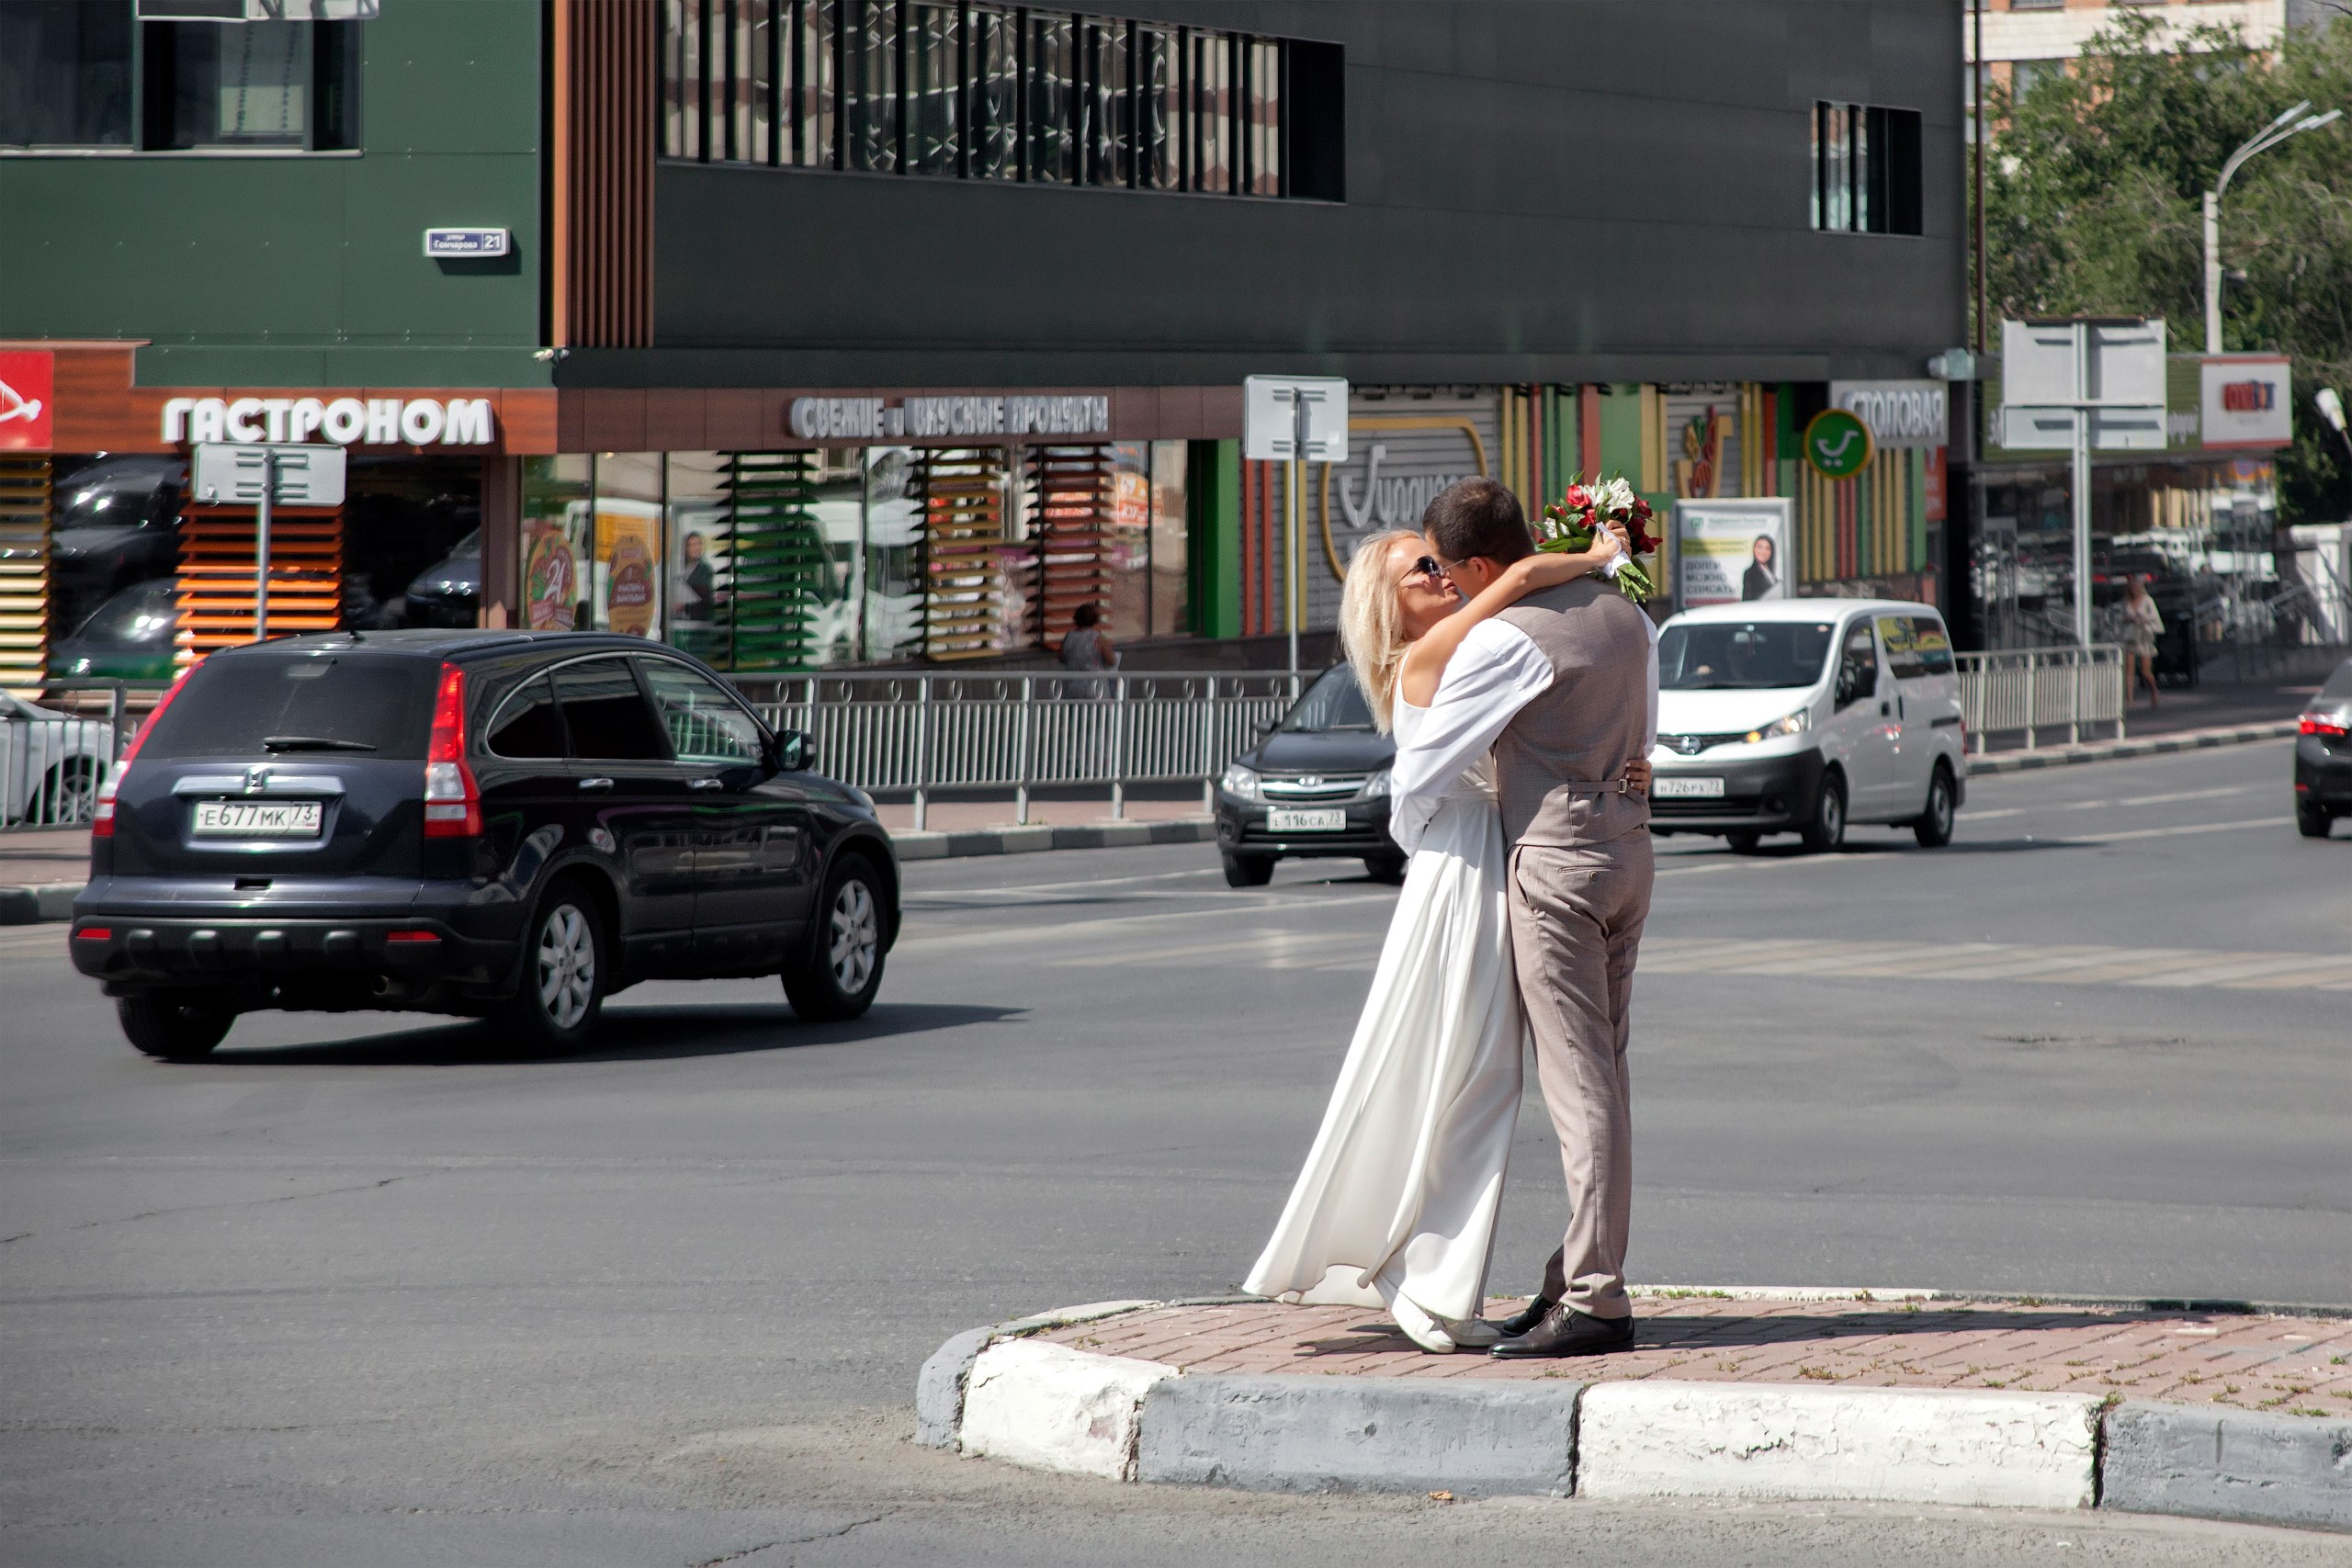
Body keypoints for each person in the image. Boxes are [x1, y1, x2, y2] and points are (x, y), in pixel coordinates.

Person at [1243, 520, 1647, 1353]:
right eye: (1419, 570)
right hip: (1463, 872)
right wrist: (1583, 558)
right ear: (1386, 605)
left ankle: (1436, 1275)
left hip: (1495, 859)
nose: (1441, 575)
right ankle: (1426, 1279)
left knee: (1473, 1082)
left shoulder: (1474, 647)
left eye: (1439, 560)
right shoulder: (1428, 657)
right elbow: (1510, 589)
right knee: (1465, 1078)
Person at [1389, 476, 1660, 1360]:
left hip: (1555, 864)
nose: (1445, 584)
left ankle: (1593, 1297)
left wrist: (1419, 838)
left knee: (1577, 1087)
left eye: (1443, 566)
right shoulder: (1628, 616)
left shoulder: (1505, 638)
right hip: (1629, 854)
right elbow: (1645, 743)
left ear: (1475, 562)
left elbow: (1425, 763)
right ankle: (1576, 1276)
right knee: (1606, 1077)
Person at [2121, 575, 2164, 710]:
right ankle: (2129, 699)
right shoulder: (2127, 601)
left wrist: (2143, 618)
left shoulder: (2147, 601)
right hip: (2131, 637)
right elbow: (2122, 617)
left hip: (2144, 637)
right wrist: (2129, 618)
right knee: (2129, 668)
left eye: (2135, 587)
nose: (2133, 590)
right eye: (2131, 588)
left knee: (2145, 671)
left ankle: (2154, 690)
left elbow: (2155, 618)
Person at [1060, 602, 1116, 696]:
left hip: (1073, 685)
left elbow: (1062, 657)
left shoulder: (1069, 636)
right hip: (1095, 686)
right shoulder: (1099, 638)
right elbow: (1111, 661)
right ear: (1096, 619)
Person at [1742, 534, 1779, 602]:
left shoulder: (1771, 573)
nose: (1763, 551)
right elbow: (1748, 600)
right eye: (1760, 547)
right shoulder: (1750, 573)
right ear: (1754, 549)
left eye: (1767, 548)